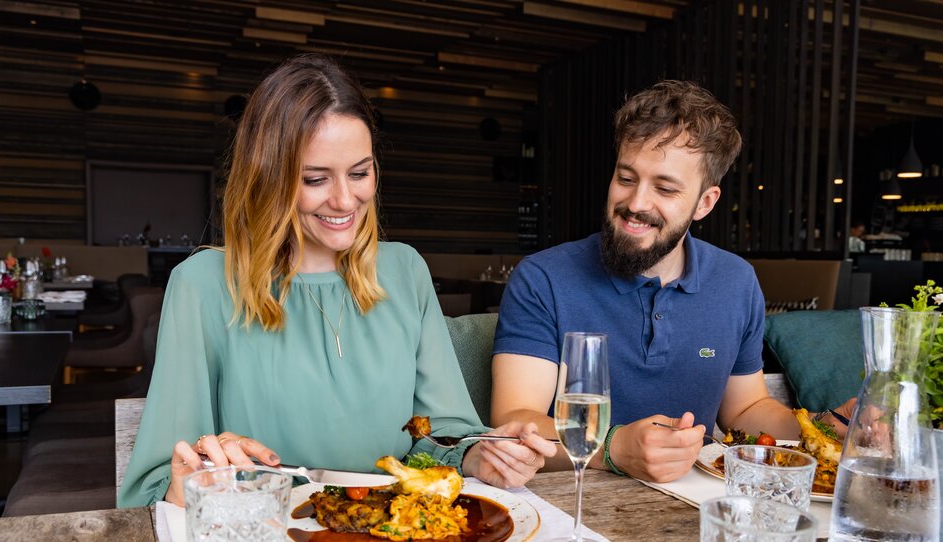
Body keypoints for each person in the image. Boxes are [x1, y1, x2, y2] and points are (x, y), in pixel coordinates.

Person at [118, 54, 556, 508]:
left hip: (392, 529)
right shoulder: (203, 284)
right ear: (268, 178)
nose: (345, 199)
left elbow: (440, 439)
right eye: (315, 178)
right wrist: (194, 478)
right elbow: (156, 488)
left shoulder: (404, 270)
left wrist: (484, 456)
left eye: (360, 173)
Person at [490, 80, 853, 483]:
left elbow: (745, 410)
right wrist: (613, 448)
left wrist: (824, 428)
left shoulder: (736, 282)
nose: (636, 203)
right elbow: (515, 419)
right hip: (571, 502)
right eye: (626, 178)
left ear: (705, 203)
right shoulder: (543, 278)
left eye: (664, 188)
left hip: (695, 505)